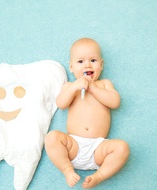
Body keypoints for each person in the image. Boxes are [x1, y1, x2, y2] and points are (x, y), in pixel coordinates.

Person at [45, 38, 130, 189]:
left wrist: (93, 88)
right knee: (52, 138)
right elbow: (61, 104)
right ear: (71, 67)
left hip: (99, 148)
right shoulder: (70, 86)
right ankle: (67, 170)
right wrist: (75, 87)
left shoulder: (104, 84)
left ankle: (99, 176)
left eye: (93, 60)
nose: (87, 64)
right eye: (80, 61)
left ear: (101, 65)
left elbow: (115, 102)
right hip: (73, 146)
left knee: (122, 148)